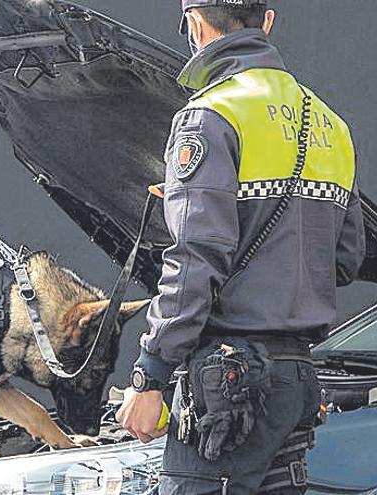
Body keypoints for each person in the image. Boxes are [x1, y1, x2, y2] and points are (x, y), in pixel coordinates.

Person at [116, 0, 365, 493]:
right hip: (295, 380)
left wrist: (150, 377)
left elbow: (196, 258)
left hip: (229, 385)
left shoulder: (210, 115)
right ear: (267, 21)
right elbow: (344, 259)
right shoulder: (332, 126)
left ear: (195, 23)